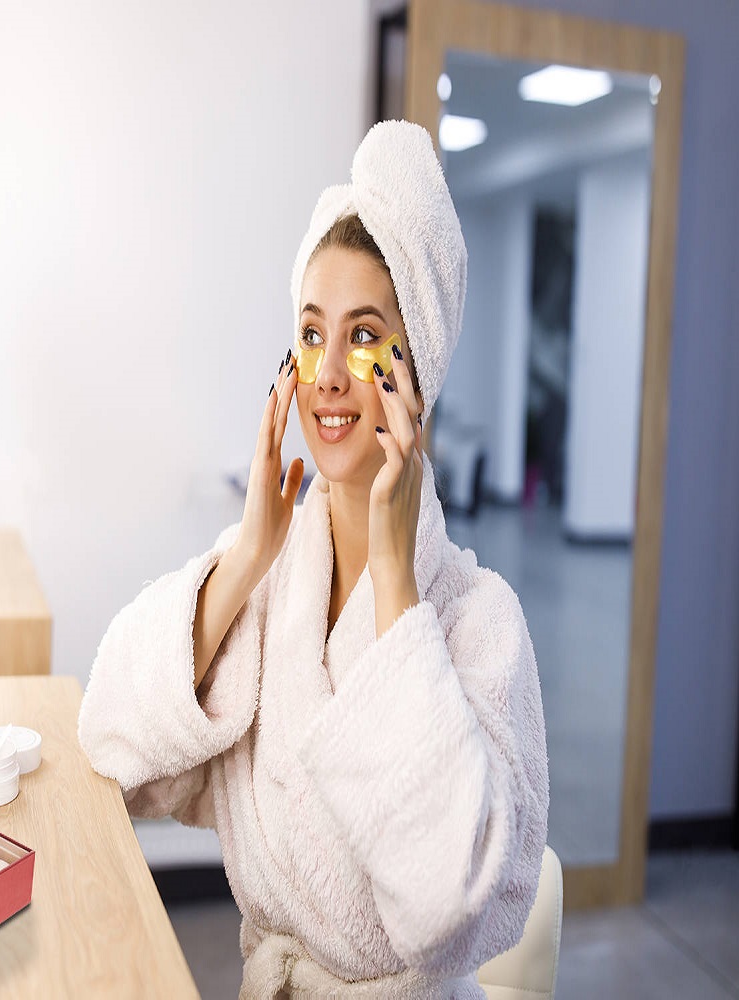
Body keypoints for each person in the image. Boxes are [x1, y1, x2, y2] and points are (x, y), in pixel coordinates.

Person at [78, 121, 549, 999]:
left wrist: (398, 592)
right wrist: (250, 551)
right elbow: (110, 744)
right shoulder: (263, 585)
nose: (328, 374)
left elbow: (450, 910)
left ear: (420, 367)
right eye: (309, 332)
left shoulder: (478, 619)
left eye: (366, 336)